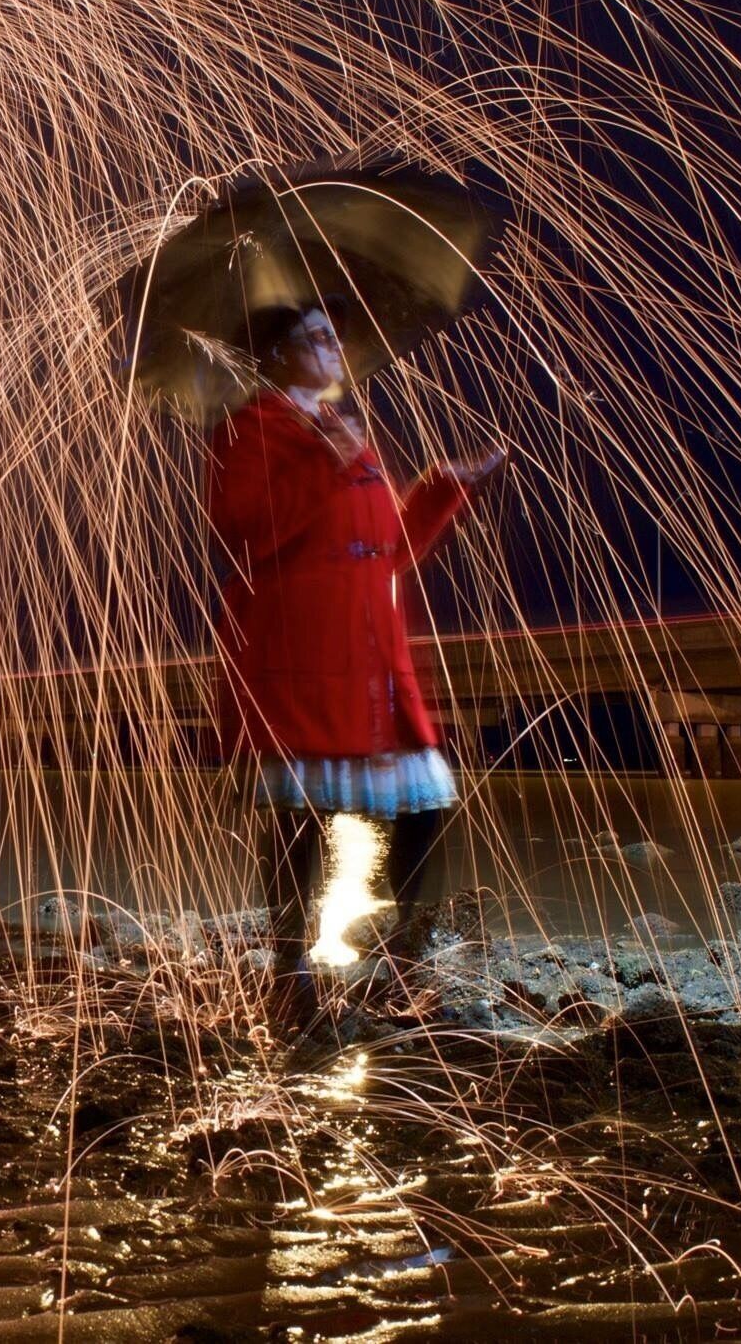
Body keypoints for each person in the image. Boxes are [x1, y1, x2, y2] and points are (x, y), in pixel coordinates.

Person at [206, 303, 505, 1031]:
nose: (335, 347)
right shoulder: (253, 428)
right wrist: (324, 461)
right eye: (316, 338)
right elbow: (241, 528)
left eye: (335, 335)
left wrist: (445, 487)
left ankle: (406, 959)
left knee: (426, 800)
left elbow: (388, 545)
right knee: (300, 811)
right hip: (303, 644)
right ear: (279, 354)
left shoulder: (339, 431)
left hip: (371, 645)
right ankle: (291, 969)